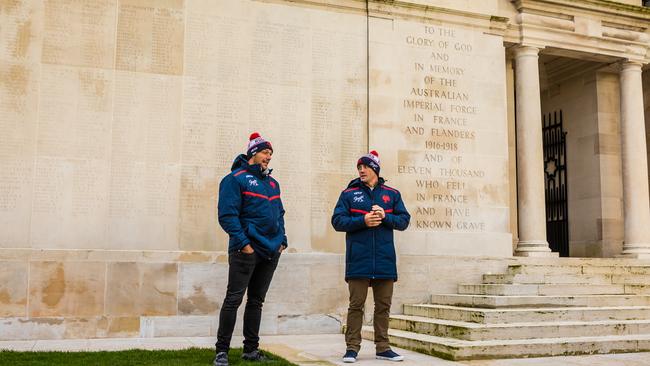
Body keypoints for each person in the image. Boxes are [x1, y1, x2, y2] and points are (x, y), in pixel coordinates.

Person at [213, 132, 287, 366]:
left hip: (270, 251)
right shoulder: (235, 179)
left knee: (256, 301)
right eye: (265, 152)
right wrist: (244, 244)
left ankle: (251, 350)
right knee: (233, 299)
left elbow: (280, 213)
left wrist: (282, 240)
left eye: (271, 154)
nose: (269, 158)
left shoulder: (273, 183)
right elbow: (227, 216)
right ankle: (222, 351)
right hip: (245, 251)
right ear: (253, 153)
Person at [331, 150, 411, 363]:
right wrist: (362, 221)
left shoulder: (392, 194)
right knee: (356, 305)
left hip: (384, 260)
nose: (361, 170)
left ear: (375, 169)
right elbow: (337, 221)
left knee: (383, 306)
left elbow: (404, 221)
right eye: (359, 167)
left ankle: (383, 348)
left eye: (365, 167)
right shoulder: (349, 194)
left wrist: (386, 216)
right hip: (359, 259)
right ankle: (351, 349)